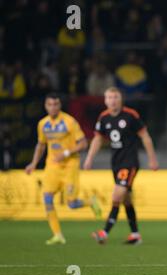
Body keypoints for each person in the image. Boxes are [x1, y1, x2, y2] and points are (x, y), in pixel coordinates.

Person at [84, 87, 159, 245]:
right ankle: (135, 235)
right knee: (126, 200)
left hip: (130, 162)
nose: (112, 100)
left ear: (121, 99)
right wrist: (89, 158)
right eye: (109, 97)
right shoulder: (103, 118)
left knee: (116, 195)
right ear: (105, 101)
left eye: (115, 97)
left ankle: (104, 232)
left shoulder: (131, 115)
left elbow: (145, 136)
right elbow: (97, 139)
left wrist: (152, 159)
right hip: (116, 163)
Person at [25, 93, 102, 245]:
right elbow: (41, 145)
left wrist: (65, 153)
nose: (53, 108)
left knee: (72, 204)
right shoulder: (43, 124)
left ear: (60, 106)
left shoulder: (69, 122)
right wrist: (33, 163)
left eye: (56, 104)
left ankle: (91, 201)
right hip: (52, 167)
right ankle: (58, 235)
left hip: (69, 166)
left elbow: (83, 143)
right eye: (50, 105)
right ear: (45, 106)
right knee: (47, 199)